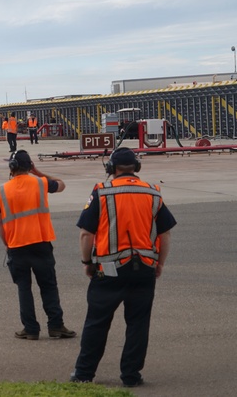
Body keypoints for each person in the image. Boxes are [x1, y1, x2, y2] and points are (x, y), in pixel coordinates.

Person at [71, 147, 176, 388]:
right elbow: (165, 233)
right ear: (136, 168)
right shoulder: (153, 192)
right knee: (138, 324)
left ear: (111, 169)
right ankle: (131, 375)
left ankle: (84, 374)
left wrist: (87, 263)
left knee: (97, 322)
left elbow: (86, 234)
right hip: (144, 269)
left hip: (108, 270)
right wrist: (159, 264)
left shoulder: (102, 192)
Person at [0, 150, 76, 341]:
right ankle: (56, 326)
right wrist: (38, 173)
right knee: (48, 286)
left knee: (24, 288)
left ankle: (30, 329)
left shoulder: (2, 190)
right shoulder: (41, 183)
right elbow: (62, 185)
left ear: (11, 167)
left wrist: (7, 243)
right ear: (29, 166)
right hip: (41, 243)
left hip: (16, 245)